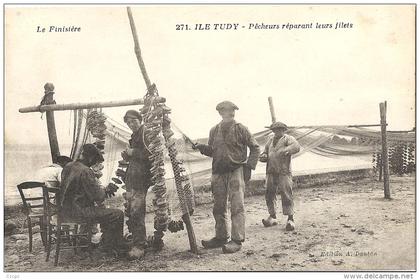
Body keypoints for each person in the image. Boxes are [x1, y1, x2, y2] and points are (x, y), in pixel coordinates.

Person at [194, 101, 260, 254]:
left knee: (237, 206)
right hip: (218, 172)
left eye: (232, 110)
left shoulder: (241, 129)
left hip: (236, 170)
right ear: (220, 113)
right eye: (225, 111)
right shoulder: (214, 130)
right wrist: (201, 147)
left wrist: (249, 167)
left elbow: (255, 148)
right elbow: (212, 151)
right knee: (218, 206)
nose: (230, 113)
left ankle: (237, 240)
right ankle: (221, 237)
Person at [60, 144, 125, 255]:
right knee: (117, 214)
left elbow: (76, 189)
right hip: (80, 212)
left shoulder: (68, 166)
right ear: (89, 158)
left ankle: (89, 241)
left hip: (65, 212)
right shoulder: (85, 171)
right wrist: (107, 190)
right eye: (94, 160)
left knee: (103, 211)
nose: (94, 163)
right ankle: (112, 247)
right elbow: (98, 196)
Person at [121, 109, 153, 260]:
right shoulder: (135, 135)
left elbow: (151, 153)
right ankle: (139, 240)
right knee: (132, 210)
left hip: (140, 179)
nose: (131, 124)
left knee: (137, 210)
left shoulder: (145, 132)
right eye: (128, 122)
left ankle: (139, 245)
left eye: (133, 121)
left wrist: (133, 152)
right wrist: (127, 155)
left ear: (140, 120)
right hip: (133, 178)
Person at [259, 122, 300, 231]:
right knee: (269, 193)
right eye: (275, 129)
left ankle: (290, 219)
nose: (277, 131)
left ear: (284, 130)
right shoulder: (270, 140)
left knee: (286, 193)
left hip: (284, 171)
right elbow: (265, 152)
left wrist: (286, 150)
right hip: (271, 171)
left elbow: (296, 147)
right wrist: (263, 156)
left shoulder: (288, 139)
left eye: (280, 129)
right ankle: (272, 216)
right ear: (272, 130)